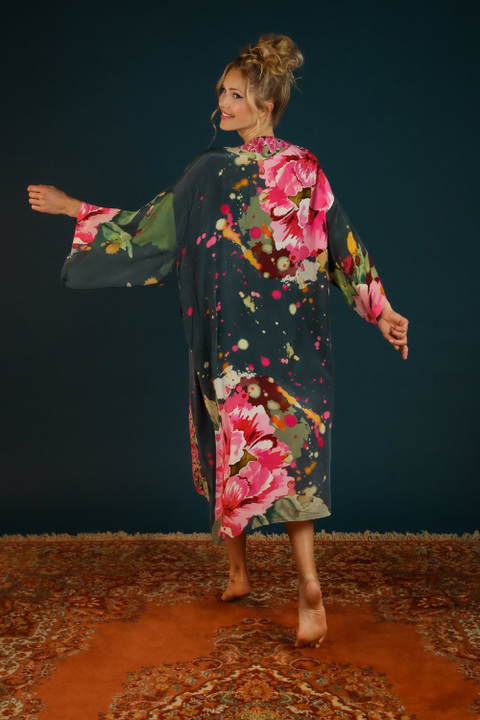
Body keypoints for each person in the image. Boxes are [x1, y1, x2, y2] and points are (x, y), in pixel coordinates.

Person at [27, 34, 409, 649]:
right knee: (290, 459)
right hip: (297, 346)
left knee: (232, 445)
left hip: (233, 342)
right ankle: (298, 582)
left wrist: (73, 208)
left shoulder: (210, 170)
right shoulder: (306, 166)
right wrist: (382, 310)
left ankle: (244, 573)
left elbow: (153, 229)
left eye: (233, 95)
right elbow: (342, 243)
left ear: (264, 104)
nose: (222, 105)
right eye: (222, 93)